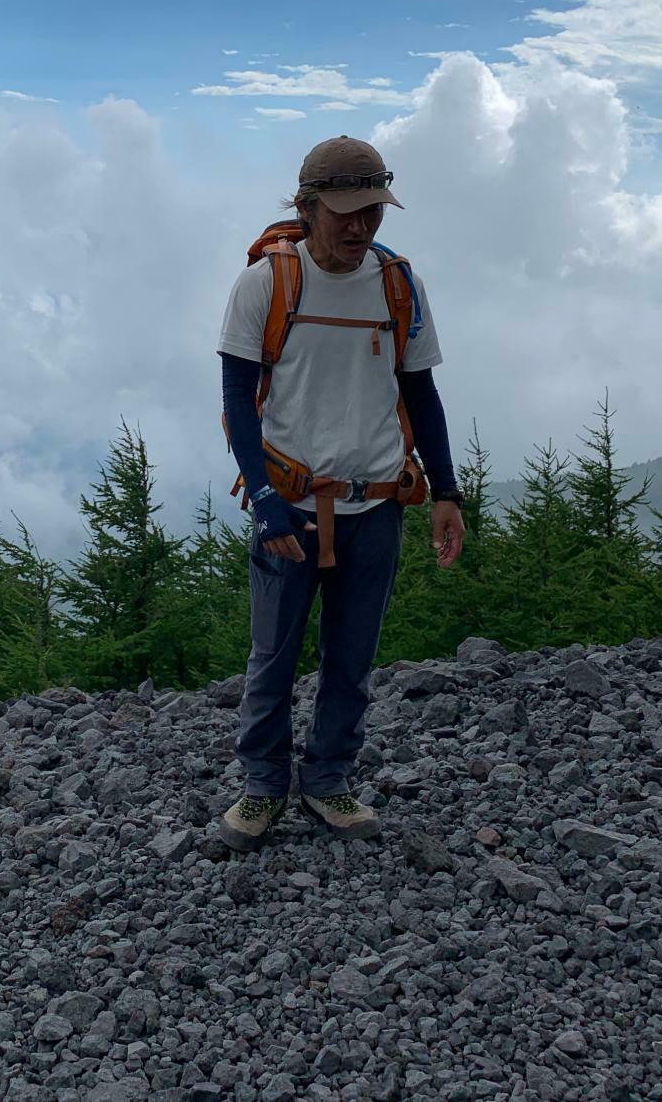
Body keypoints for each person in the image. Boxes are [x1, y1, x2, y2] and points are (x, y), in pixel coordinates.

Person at [214, 135, 463, 851]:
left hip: (378, 501)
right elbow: (236, 397)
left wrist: (446, 490)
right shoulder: (269, 282)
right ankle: (263, 788)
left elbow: (421, 390)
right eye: (344, 212)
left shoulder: (397, 283)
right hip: (291, 501)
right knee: (274, 656)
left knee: (353, 657)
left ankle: (328, 780)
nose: (359, 227)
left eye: (373, 212)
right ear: (308, 205)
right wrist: (263, 501)